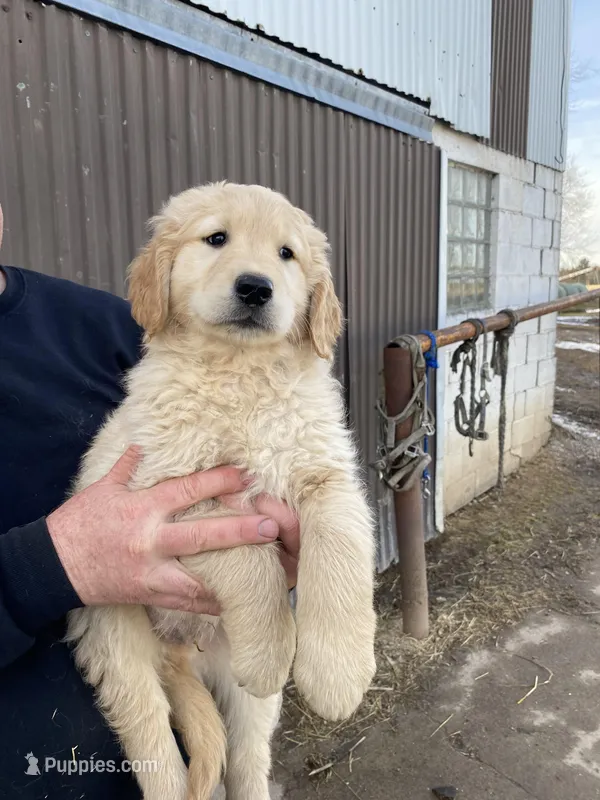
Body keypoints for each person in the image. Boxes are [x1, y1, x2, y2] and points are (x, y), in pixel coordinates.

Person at [0, 202, 300, 798]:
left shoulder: (112, 326)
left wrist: (279, 544)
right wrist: (46, 568)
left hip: (198, 726)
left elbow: (250, 465)